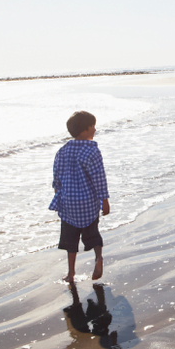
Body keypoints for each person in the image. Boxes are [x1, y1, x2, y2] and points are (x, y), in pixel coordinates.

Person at [49, 111, 110, 282]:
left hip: (68, 203)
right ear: (85, 130)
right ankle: (98, 258)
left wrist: (58, 196)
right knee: (93, 234)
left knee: (70, 240)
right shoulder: (91, 150)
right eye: (93, 126)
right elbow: (99, 178)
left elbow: (57, 178)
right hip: (88, 203)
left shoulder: (62, 151)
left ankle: (71, 273)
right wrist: (104, 200)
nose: (95, 129)